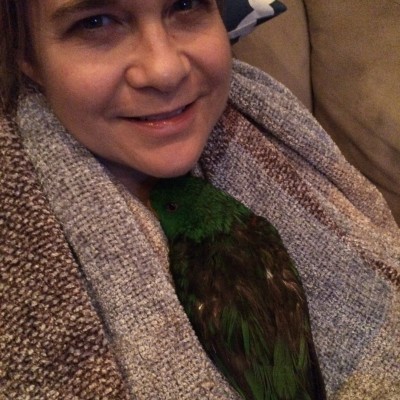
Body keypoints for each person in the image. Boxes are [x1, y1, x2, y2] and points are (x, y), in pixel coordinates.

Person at [0, 1, 398, 399]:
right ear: (27, 56)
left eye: (186, 3)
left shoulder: (267, 112)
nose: (166, 70)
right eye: (95, 22)